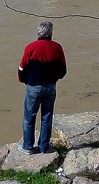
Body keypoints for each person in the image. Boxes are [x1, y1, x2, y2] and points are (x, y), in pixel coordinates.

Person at [17, 21, 67, 154]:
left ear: (38, 32)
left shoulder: (30, 48)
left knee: (29, 118)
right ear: (51, 33)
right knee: (47, 117)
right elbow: (63, 70)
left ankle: (28, 147)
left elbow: (21, 69)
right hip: (50, 87)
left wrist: (24, 81)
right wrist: (55, 79)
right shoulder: (57, 48)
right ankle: (44, 147)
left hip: (33, 87)